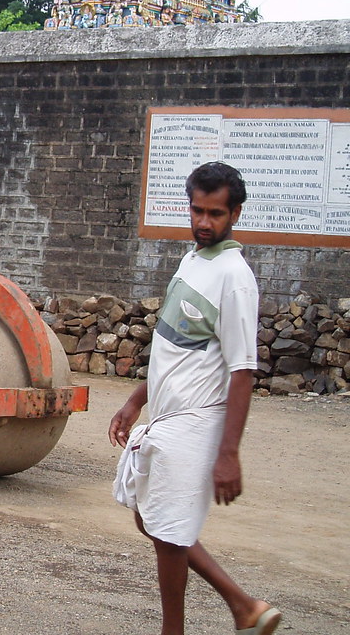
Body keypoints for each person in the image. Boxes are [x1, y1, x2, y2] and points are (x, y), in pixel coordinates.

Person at [109, 162, 281, 635]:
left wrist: (229, 454)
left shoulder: (234, 276)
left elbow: (242, 371)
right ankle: (243, 605)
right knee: (152, 520)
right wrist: (136, 399)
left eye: (216, 213)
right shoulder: (192, 262)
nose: (204, 222)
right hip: (166, 415)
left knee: (166, 533)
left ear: (235, 214)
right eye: (197, 210)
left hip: (197, 420)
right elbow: (171, 344)